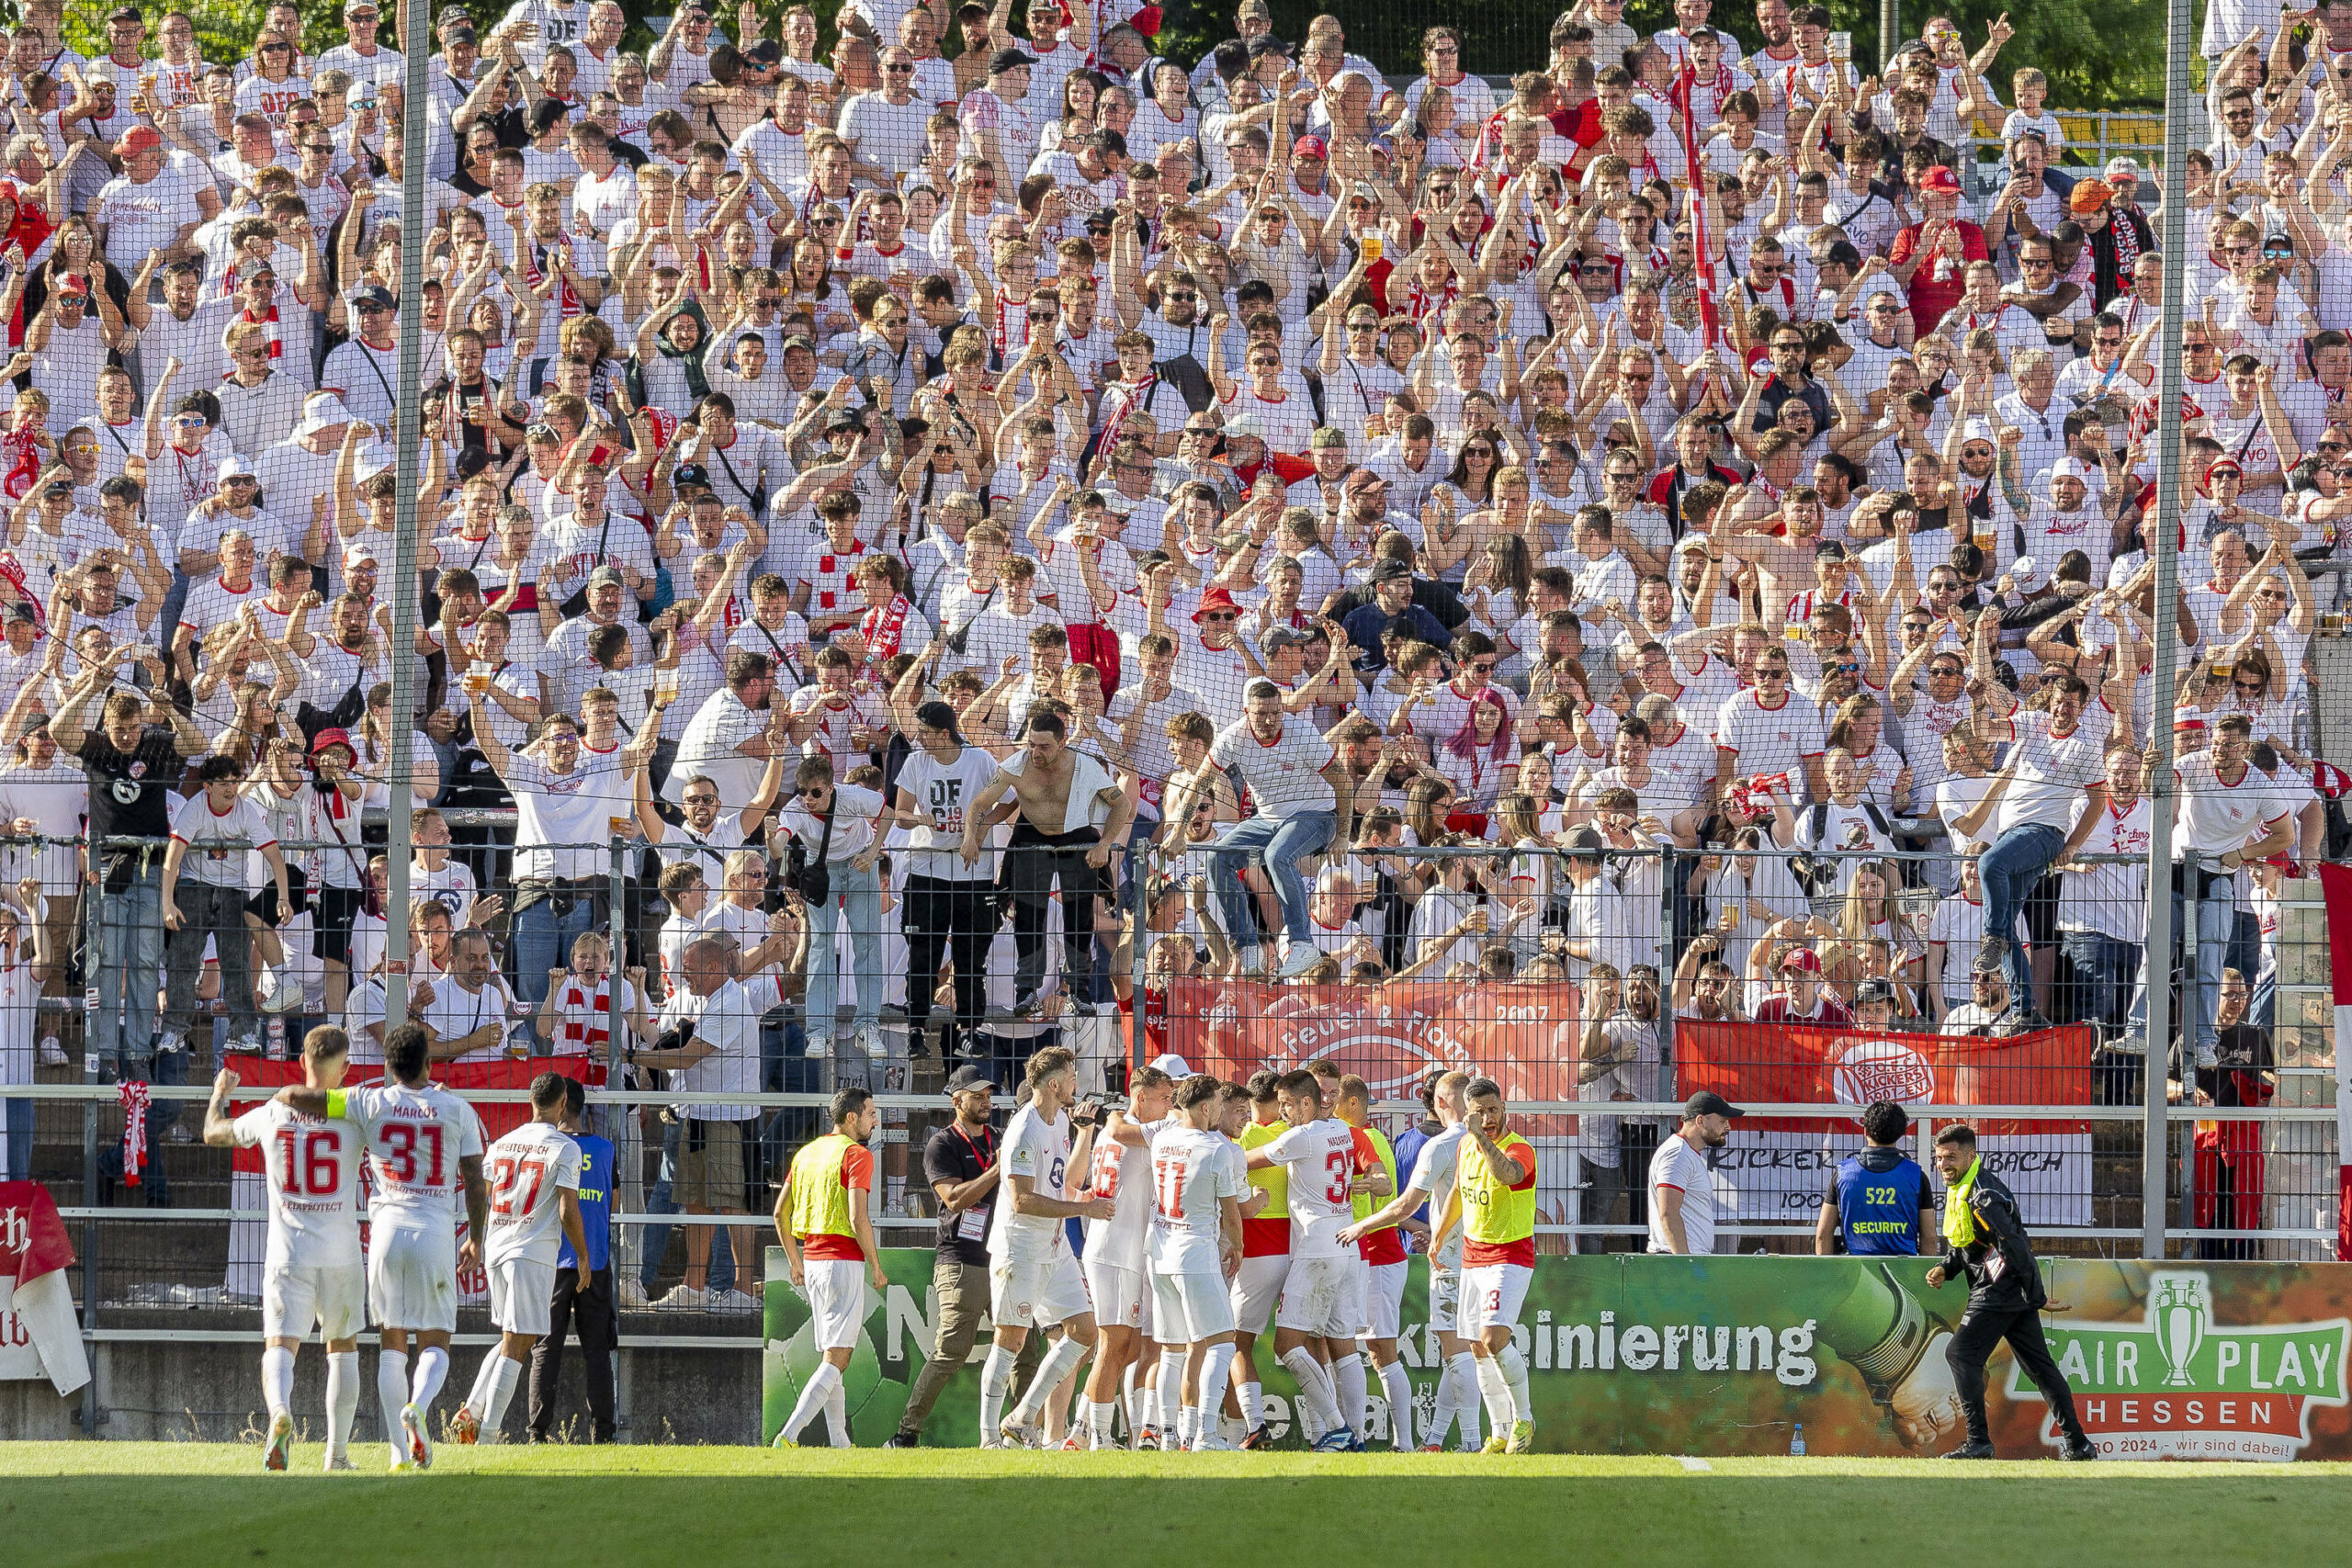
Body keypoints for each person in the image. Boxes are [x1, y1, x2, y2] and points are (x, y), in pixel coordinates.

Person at [274, 1021, 489, 1472]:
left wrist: (283, 1096)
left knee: (392, 1341)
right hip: (432, 1231)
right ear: (429, 1063)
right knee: (435, 1340)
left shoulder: (368, 1100)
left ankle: (398, 1453)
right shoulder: (456, 1109)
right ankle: (420, 1408)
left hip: (387, 1232)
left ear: (388, 1067)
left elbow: (301, 1098)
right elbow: (474, 1181)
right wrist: (475, 1237)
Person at [201, 1027, 365, 1472]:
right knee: (343, 1347)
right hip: (340, 1253)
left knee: (280, 1344)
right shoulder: (355, 1112)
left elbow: (213, 1134)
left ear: (301, 1063)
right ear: (345, 1067)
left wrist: (219, 1093)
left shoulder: (273, 1111)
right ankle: (338, 1455)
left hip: (287, 1250)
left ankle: (279, 1414)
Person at [1926, 1121, 2098, 1461]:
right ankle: (2079, 1444)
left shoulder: (1983, 1196)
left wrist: (2036, 1297)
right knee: (2040, 1368)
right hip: (2007, 1289)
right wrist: (1947, 1267)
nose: (1943, 1165)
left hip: (1999, 1289)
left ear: (1971, 1155)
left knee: (1961, 1354)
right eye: (1939, 1158)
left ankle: (1978, 1442)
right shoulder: (1963, 1187)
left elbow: (2014, 1246)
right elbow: (1972, 1245)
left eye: (1950, 1158)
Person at [889, 1064, 1035, 1448]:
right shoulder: (943, 1144)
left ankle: (1022, 1432)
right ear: (957, 1101)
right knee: (951, 1351)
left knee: (1026, 1349)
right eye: (978, 1096)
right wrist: (998, 1169)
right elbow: (954, 1199)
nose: (986, 1101)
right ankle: (906, 1433)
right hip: (962, 1260)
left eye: (989, 1095)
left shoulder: (1000, 1137)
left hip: (1004, 1258)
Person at [1243, 1068, 1385, 1452]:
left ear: (1306, 1102)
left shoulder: (1302, 1136)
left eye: (1288, 1104)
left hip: (1317, 1249)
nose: (1283, 1111)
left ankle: (1337, 1428)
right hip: (1345, 1244)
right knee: (1343, 1344)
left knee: (1287, 1344)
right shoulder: (1340, 1130)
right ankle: (1354, 1437)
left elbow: (1250, 1160)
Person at [980, 1045, 1114, 1448]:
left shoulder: (1058, 1122)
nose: (1077, 1084)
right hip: (1020, 1249)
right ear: (1054, 1084)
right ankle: (988, 1439)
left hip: (1054, 1250)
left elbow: (1065, 1182)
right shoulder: (1024, 1130)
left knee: (1085, 1332)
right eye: (1072, 1077)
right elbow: (1021, 1199)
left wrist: (1084, 1136)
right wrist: (1084, 1208)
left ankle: (1022, 1417)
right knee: (1010, 1341)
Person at [959, 709, 1132, 1017]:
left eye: (1044, 747)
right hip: (1032, 834)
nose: (1036, 753)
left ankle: (1079, 992)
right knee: (1028, 916)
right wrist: (971, 835)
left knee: (1079, 918)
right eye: (1031, 745)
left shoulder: (1085, 767)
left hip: (1075, 832)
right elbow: (980, 804)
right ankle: (1026, 991)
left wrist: (1104, 844)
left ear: (1063, 742)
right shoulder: (1015, 766)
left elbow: (1123, 803)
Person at [450, 1071, 590, 1446]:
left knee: (514, 1337)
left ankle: (473, 1409)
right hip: (531, 1251)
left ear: (531, 1101)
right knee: (516, 1344)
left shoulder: (501, 1144)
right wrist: (582, 1255)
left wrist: (476, 1240)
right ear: (562, 1105)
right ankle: (489, 1434)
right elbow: (566, 1208)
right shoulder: (566, 1147)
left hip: (497, 1246)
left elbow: (484, 1194)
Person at [1342, 1068, 1476, 1453]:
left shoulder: (1441, 1146)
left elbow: (1405, 1204)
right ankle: (1434, 1440)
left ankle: (1469, 1442)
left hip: (1450, 1257)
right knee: (1467, 1349)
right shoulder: (1491, 1144)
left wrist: (1363, 1224)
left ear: (1440, 1102)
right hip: (1484, 1254)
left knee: (1455, 1350)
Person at [1200, 680, 1360, 977]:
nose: (1270, 720)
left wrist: (1341, 834)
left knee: (1277, 856)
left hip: (1316, 814)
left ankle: (1303, 944)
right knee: (1215, 858)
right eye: (1261, 714)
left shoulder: (1302, 733)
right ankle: (1248, 948)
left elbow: (1343, 782)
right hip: (1268, 819)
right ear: (1247, 711)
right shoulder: (1233, 738)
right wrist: (1176, 830)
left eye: (1276, 712)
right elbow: (1200, 782)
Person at [773, 1085, 888, 1448]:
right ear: (851, 1117)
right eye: (870, 1113)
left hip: (813, 1261)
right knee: (839, 1358)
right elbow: (858, 1216)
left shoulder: (806, 1153)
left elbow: (780, 1213)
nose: (875, 1120)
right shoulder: (857, 1155)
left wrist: (794, 1261)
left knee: (832, 1356)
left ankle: (840, 1443)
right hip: (843, 1262)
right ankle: (789, 1436)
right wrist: (876, 1265)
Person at [1144, 1074, 1249, 1452]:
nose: (1221, 1109)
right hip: (1196, 1252)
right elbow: (1232, 1213)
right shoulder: (1216, 1149)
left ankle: (1168, 1434)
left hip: (1159, 1251)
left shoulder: (1163, 1140)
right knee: (1221, 1342)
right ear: (1205, 1108)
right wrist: (1236, 1246)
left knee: (1173, 1349)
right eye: (1219, 1103)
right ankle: (1205, 1433)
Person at [1433, 1075, 1536, 1455]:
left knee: (1494, 1339)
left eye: (1494, 1110)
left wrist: (1483, 1138)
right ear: (1468, 1115)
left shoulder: (1519, 1149)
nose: (1489, 1118)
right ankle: (1498, 1431)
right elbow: (1460, 1190)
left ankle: (1524, 1417)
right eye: (1480, 1113)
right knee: (1477, 1347)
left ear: (1504, 1108)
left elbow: (1507, 1175)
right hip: (1473, 1255)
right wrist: (1442, 1233)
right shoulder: (1465, 1146)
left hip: (1510, 1254)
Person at [527, 1076, 617, 1443]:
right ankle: (604, 1434)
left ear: (561, 1104)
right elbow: (612, 1202)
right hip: (593, 1259)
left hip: (553, 1260)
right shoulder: (606, 1149)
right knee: (597, 1352)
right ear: (582, 1108)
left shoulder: (549, 1146)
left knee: (545, 1349)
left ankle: (537, 1432)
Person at [1815, 1100, 1935, 1256]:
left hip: (1856, 1269)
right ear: (1901, 1134)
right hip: (1904, 1270)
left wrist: (1827, 1277)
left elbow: (1822, 1235)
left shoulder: (1844, 1173)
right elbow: (1930, 1238)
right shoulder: (1916, 1175)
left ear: (1866, 1131)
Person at [1648, 1091, 1739, 1256]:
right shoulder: (1678, 1154)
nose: (1728, 1127)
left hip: (1680, 1258)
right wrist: (1685, 1263)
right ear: (1700, 1121)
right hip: (1676, 1261)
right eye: (1722, 1121)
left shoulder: (1684, 1152)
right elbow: (1668, 1213)